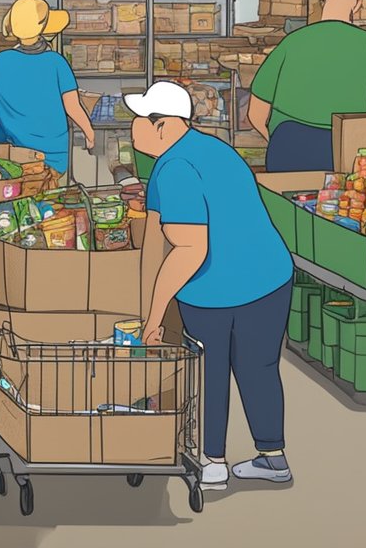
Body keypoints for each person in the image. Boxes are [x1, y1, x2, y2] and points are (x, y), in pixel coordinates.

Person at [129, 81, 296, 493]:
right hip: (270, 276)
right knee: (259, 368)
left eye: (139, 121)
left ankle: (212, 462)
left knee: (209, 372)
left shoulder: (174, 169)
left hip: (216, 288)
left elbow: (189, 249)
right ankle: (273, 457)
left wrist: (152, 317)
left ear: (164, 126)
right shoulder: (212, 149)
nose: (132, 129)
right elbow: (158, 234)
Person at [249, 0, 366, 172]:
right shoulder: (365, 42)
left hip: (289, 146)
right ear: (357, 1)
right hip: (346, 150)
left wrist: (279, 143)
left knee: (284, 202)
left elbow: (256, 113)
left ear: (324, 0)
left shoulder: (292, 42)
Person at [0, 0, 95, 176]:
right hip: (51, 156)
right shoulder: (56, 62)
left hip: (10, 153)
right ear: (44, 29)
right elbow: (72, 107)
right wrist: (89, 133)